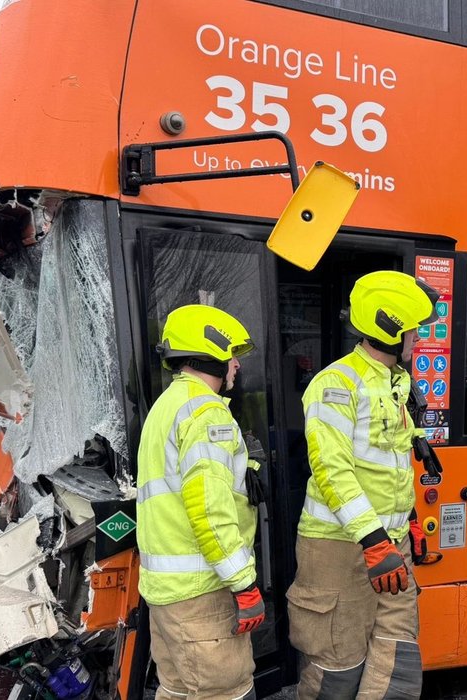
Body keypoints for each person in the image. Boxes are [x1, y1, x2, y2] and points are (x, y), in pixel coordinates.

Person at [287, 270, 439, 700]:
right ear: (390, 327)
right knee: (338, 666)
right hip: (338, 547)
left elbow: (384, 455)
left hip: (390, 544)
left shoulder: (395, 381)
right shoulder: (335, 384)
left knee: (398, 661)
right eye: (413, 328)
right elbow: (332, 471)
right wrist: (374, 541)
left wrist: (407, 515)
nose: (418, 337)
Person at [136, 304, 266, 700]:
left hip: (166, 594)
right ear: (209, 355)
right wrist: (244, 583)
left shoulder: (166, 407)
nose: (236, 367)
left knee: (176, 690)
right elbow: (209, 511)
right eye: (231, 357)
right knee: (227, 692)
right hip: (201, 595)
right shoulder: (207, 413)